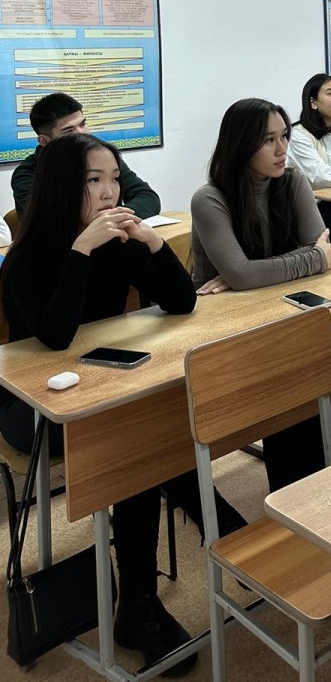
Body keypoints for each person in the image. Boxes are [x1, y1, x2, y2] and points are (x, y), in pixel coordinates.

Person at [0, 134, 239, 676]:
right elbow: (56, 336)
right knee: (142, 440)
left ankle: (142, 599)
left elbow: (181, 302)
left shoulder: (116, 242)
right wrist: (80, 251)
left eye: (114, 178)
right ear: (62, 187)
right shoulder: (28, 258)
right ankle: (151, 593)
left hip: (101, 390)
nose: (110, 192)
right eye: (94, 180)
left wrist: (152, 243)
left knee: (150, 426)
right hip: (32, 407)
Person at [190, 98, 331, 490]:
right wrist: (309, 260)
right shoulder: (210, 198)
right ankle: (295, 494)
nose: (281, 149)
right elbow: (251, 272)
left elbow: (326, 250)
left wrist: (253, 271)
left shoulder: (291, 181)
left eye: (285, 137)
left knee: (328, 371)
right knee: (294, 384)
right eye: (268, 140)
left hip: (284, 315)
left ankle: (326, 485)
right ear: (241, 145)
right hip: (227, 332)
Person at [11, 92, 161, 220]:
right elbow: (46, 221)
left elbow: (147, 197)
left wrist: (115, 220)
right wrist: (104, 223)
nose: (82, 133)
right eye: (69, 131)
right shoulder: (27, 175)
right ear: (44, 141)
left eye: (82, 124)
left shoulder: (102, 157)